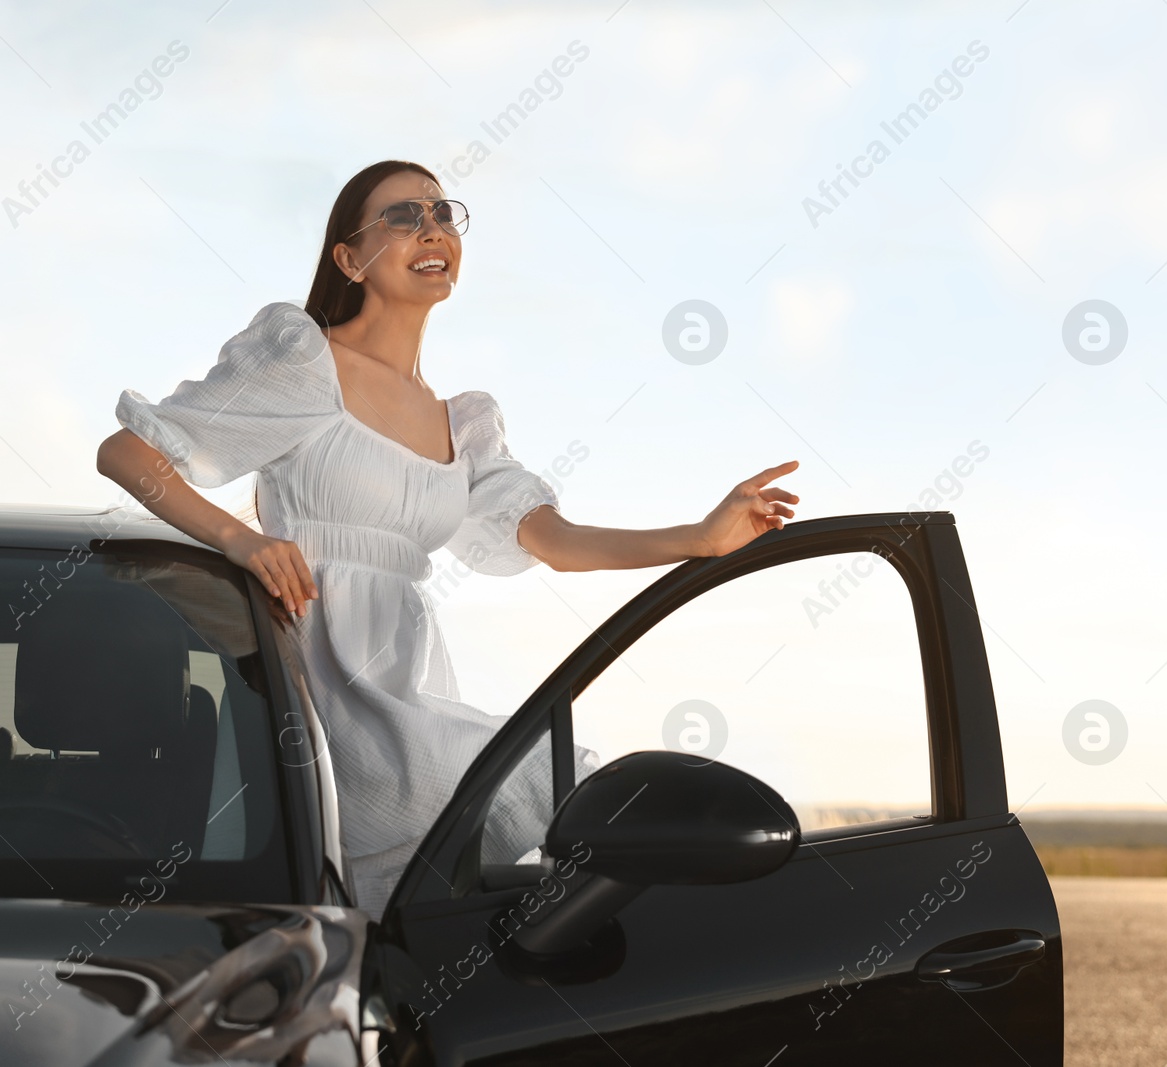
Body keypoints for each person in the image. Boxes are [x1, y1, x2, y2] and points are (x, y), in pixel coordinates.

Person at [96, 160, 801, 918]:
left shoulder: (462, 421)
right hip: (321, 674)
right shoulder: (305, 359)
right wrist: (241, 541)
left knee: (427, 886)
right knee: (542, 778)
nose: (431, 228)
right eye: (402, 217)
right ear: (348, 258)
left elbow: (553, 540)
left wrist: (696, 535)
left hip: (411, 677)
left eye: (442, 213)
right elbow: (129, 454)